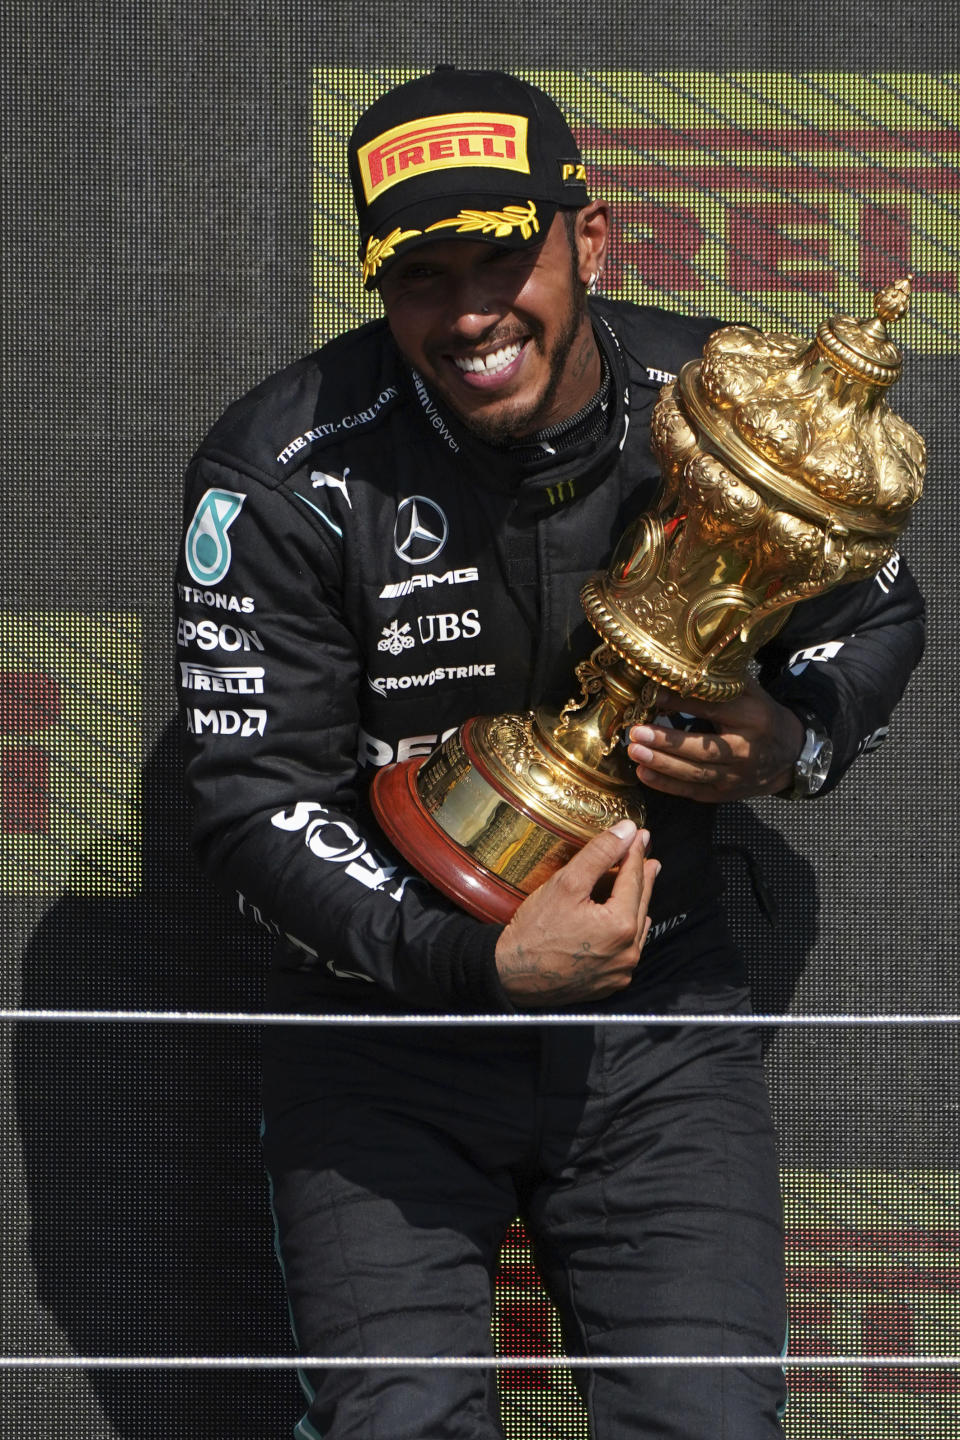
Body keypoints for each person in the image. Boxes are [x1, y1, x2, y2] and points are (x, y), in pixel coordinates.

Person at [176, 66, 925, 1440]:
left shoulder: (727, 417)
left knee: (706, 1425)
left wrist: (790, 738)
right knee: (402, 1426)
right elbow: (250, 801)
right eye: (420, 276)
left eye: (504, 259)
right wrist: (477, 960)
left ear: (588, 238)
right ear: (373, 282)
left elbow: (876, 611)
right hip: (379, 1030)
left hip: (657, 1025)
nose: (468, 315)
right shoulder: (282, 468)